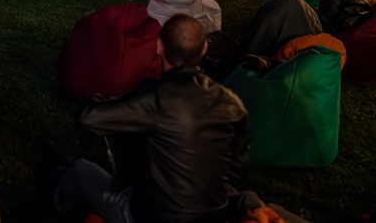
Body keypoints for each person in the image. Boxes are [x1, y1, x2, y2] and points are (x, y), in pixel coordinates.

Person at [53, 14, 250, 223]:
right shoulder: (231, 102)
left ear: (159, 46)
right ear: (203, 49)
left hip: (150, 215)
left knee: (82, 171)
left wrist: (98, 98)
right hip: (212, 214)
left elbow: (89, 118)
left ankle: (59, 195)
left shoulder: (156, 96)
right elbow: (238, 168)